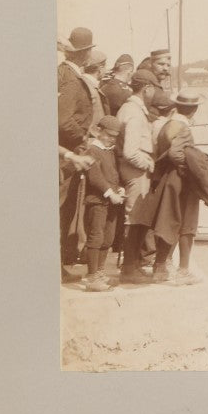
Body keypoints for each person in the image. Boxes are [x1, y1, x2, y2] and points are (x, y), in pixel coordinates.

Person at [135, 90, 204, 286]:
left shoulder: (168, 125)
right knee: (187, 224)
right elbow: (176, 153)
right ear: (194, 110)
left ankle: (160, 267)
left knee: (169, 221)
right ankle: (183, 270)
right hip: (181, 180)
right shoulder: (183, 127)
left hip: (168, 179)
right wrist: (188, 167)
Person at [57, 26, 97, 277]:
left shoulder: (62, 73)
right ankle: (57, 269)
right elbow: (62, 119)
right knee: (63, 209)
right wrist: (82, 136)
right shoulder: (71, 80)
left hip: (65, 153)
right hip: (68, 155)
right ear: (84, 54)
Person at [115, 71, 157, 283]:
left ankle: (133, 266)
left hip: (132, 170)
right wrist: (148, 163)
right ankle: (129, 269)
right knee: (134, 219)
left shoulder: (128, 108)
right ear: (147, 88)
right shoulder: (134, 112)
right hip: (136, 171)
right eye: (153, 88)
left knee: (137, 218)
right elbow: (131, 151)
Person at [80, 115, 125, 292]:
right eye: (108, 135)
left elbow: (114, 174)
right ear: (98, 131)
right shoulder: (92, 150)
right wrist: (109, 193)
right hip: (97, 201)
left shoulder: (110, 151)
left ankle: (100, 272)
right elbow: (95, 177)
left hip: (111, 200)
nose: (111, 139)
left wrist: (120, 188)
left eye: (115, 136)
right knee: (96, 237)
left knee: (108, 238)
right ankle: (92, 276)